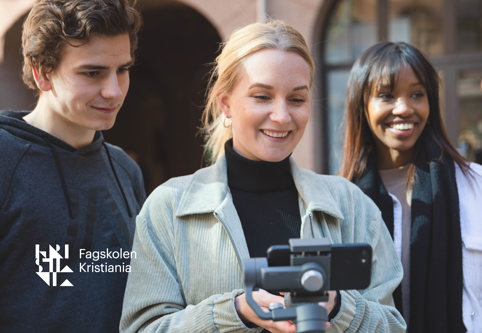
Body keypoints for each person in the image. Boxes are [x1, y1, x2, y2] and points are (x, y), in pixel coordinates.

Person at [120, 20, 405, 333]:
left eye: (296, 99)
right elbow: (142, 329)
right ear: (225, 104)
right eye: (262, 97)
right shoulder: (168, 208)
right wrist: (236, 312)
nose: (282, 116)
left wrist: (338, 307)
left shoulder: (350, 205)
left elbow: (392, 326)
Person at [0, 1, 145, 332]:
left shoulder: (126, 170)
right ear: (42, 72)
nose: (113, 91)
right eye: (92, 73)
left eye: (122, 69)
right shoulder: (5, 159)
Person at [339, 41, 482, 333]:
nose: (404, 108)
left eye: (417, 94)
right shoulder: (339, 202)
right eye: (386, 95)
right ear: (361, 105)